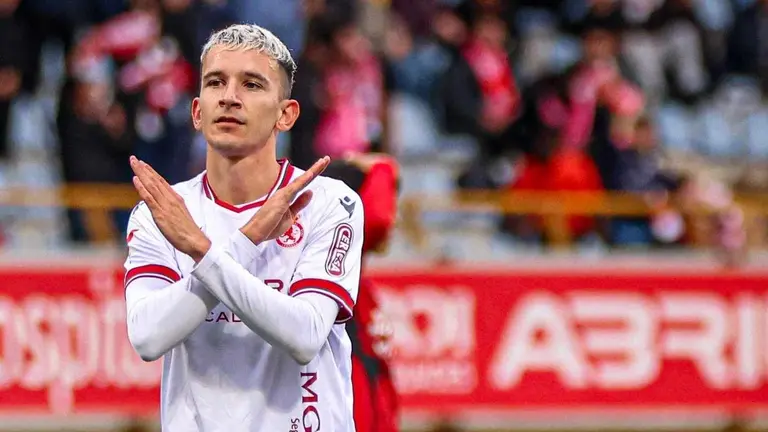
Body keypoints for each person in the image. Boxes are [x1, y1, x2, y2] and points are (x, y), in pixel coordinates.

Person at [123, 23, 364, 432]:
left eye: (252, 85)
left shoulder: (327, 202)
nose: (230, 97)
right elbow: (147, 338)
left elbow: (305, 335)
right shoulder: (161, 213)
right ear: (198, 111)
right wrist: (246, 241)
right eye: (216, 82)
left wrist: (202, 249)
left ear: (285, 114)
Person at [323, 153, 400, 432]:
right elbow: (378, 219)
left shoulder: (362, 283)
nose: (395, 217)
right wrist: (383, 167)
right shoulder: (339, 266)